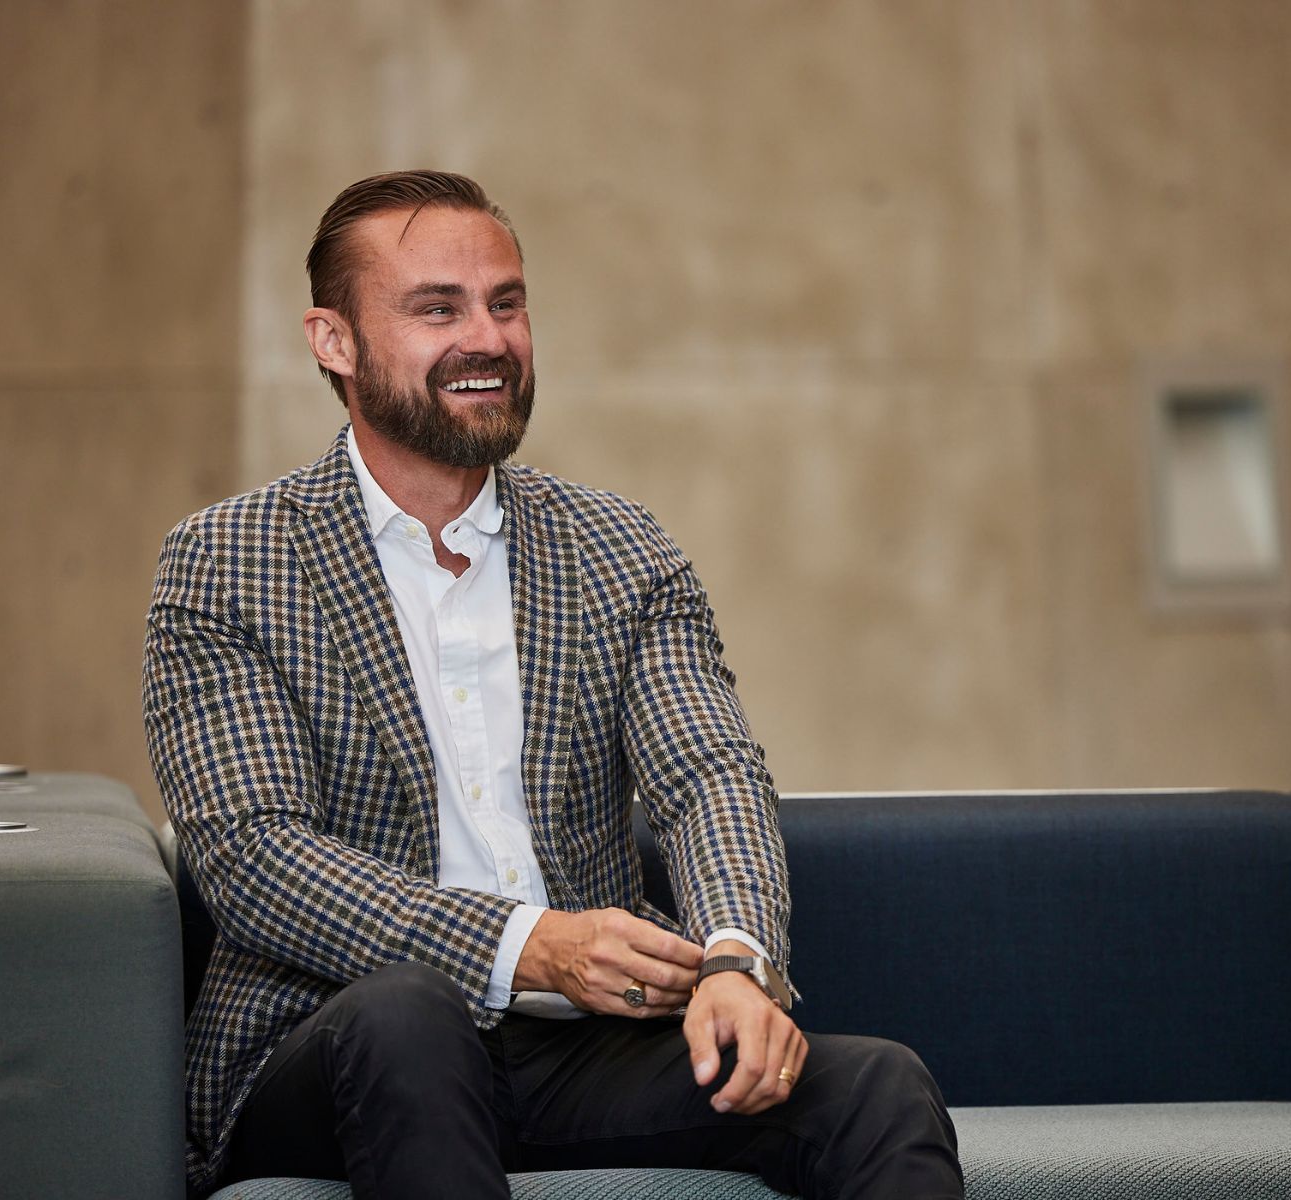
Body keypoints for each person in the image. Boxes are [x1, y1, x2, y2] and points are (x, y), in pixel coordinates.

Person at [144, 169, 962, 1199]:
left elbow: (708, 772)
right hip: (330, 1043)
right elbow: (255, 856)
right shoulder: (229, 562)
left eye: (507, 303)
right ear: (334, 341)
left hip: (581, 1050)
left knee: (880, 1085)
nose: (486, 338)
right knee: (412, 1013)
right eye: (437, 308)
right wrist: (527, 945)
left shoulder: (618, 547)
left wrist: (736, 960)